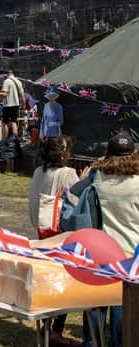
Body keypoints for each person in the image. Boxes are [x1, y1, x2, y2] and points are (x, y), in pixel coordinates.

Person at [72, 132, 138, 347]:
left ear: (108, 153)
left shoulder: (96, 176)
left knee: (95, 304)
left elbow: (73, 196)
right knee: (122, 306)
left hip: (99, 249)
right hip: (131, 252)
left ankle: (92, 343)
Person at [27, 136, 78, 346]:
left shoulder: (39, 171)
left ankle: (47, 327)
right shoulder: (67, 174)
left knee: (47, 278)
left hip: (42, 230)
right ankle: (55, 330)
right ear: (63, 154)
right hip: (61, 233)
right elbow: (77, 200)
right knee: (63, 282)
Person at [0, 69, 25, 139]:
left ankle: (5, 141)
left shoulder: (7, 81)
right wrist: (23, 104)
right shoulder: (18, 81)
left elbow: (4, 94)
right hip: (16, 105)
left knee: (5, 123)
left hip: (8, 105)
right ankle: (15, 141)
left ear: (7, 74)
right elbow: (22, 95)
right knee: (14, 122)